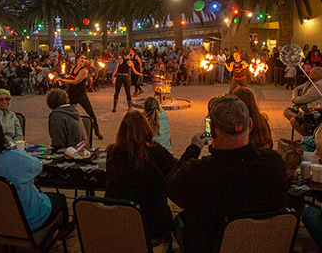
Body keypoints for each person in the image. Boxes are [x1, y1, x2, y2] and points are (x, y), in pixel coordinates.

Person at [166, 95, 288, 253]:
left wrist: (193, 149)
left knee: (179, 220)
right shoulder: (274, 164)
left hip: (211, 247)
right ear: (249, 125)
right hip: (264, 246)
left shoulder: (199, 173)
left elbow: (170, 185)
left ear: (212, 130)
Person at [0, 109, 74, 234]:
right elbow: (37, 167)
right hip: (27, 222)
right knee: (60, 198)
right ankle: (64, 230)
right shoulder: (11, 158)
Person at [105, 111, 177, 246]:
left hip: (121, 225)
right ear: (147, 128)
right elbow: (178, 169)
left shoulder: (112, 153)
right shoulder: (156, 152)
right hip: (154, 228)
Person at [58, 53, 103, 140]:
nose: (83, 60)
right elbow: (72, 77)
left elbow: (75, 81)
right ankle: (67, 131)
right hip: (71, 94)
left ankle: (97, 131)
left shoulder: (84, 71)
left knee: (91, 113)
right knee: (66, 112)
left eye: (84, 58)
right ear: (77, 59)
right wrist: (64, 77)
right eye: (81, 58)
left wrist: (62, 80)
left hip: (81, 95)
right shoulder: (74, 68)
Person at [284, 67, 322, 136]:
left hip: (314, 112)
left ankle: (309, 137)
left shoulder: (319, 86)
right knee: (287, 111)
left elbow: (303, 99)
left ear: (317, 76)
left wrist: (294, 99)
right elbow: (297, 89)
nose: (309, 74)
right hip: (303, 108)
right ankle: (301, 119)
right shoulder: (310, 82)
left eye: (311, 73)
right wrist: (295, 97)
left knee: (294, 121)